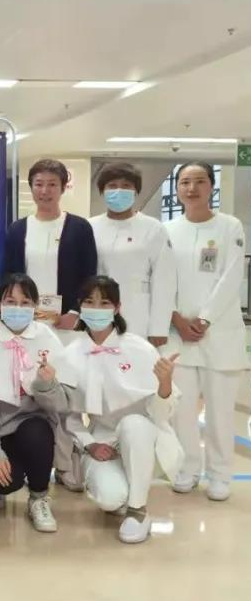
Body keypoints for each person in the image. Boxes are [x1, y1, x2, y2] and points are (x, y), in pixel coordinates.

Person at [63, 276, 183, 544]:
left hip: (145, 436)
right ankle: (126, 494)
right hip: (103, 440)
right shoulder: (70, 354)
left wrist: (164, 383)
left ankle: (138, 510)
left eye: (104, 303)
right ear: (80, 306)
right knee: (110, 498)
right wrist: (90, 444)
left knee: (133, 423)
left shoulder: (139, 348)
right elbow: (69, 416)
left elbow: (161, 414)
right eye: (89, 302)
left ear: (117, 308)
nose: (96, 309)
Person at [2, 158, 97, 491]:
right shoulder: (18, 229)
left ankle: (66, 464)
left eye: (52, 184)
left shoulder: (79, 228)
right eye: (39, 184)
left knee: (65, 397)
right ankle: (30, 464)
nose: (45, 191)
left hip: (66, 325)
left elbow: (89, 275)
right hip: (26, 326)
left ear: (63, 187)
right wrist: (15, 313)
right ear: (31, 187)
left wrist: (76, 311)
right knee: (28, 393)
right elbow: (9, 276)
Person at [162, 161, 247, 502]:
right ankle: (186, 470)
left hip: (219, 333)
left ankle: (220, 475)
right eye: (184, 182)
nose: (191, 188)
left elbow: (232, 275)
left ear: (211, 186)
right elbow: (162, 279)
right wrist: (177, 319)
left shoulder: (229, 226)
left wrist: (206, 319)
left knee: (220, 412)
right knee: (181, 411)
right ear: (177, 189)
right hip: (178, 333)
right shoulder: (167, 230)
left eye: (199, 181)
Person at [0, 273, 68, 533]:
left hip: (35, 426)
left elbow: (59, 406)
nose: (18, 308)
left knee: (37, 430)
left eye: (25, 302)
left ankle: (38, 498)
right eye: (10, 301)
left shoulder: (47, 339)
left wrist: (45, 385)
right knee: (6, 482)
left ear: (35, 306)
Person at [89, 163, 175, 345]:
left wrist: (159, 328)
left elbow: (164, 280)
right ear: (102, 191)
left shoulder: (153, 228)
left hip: (138, 313)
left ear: (136, 191)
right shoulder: (89, 227)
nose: (119, 191)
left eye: (126, 186)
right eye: (112, 186)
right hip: (96, 312)